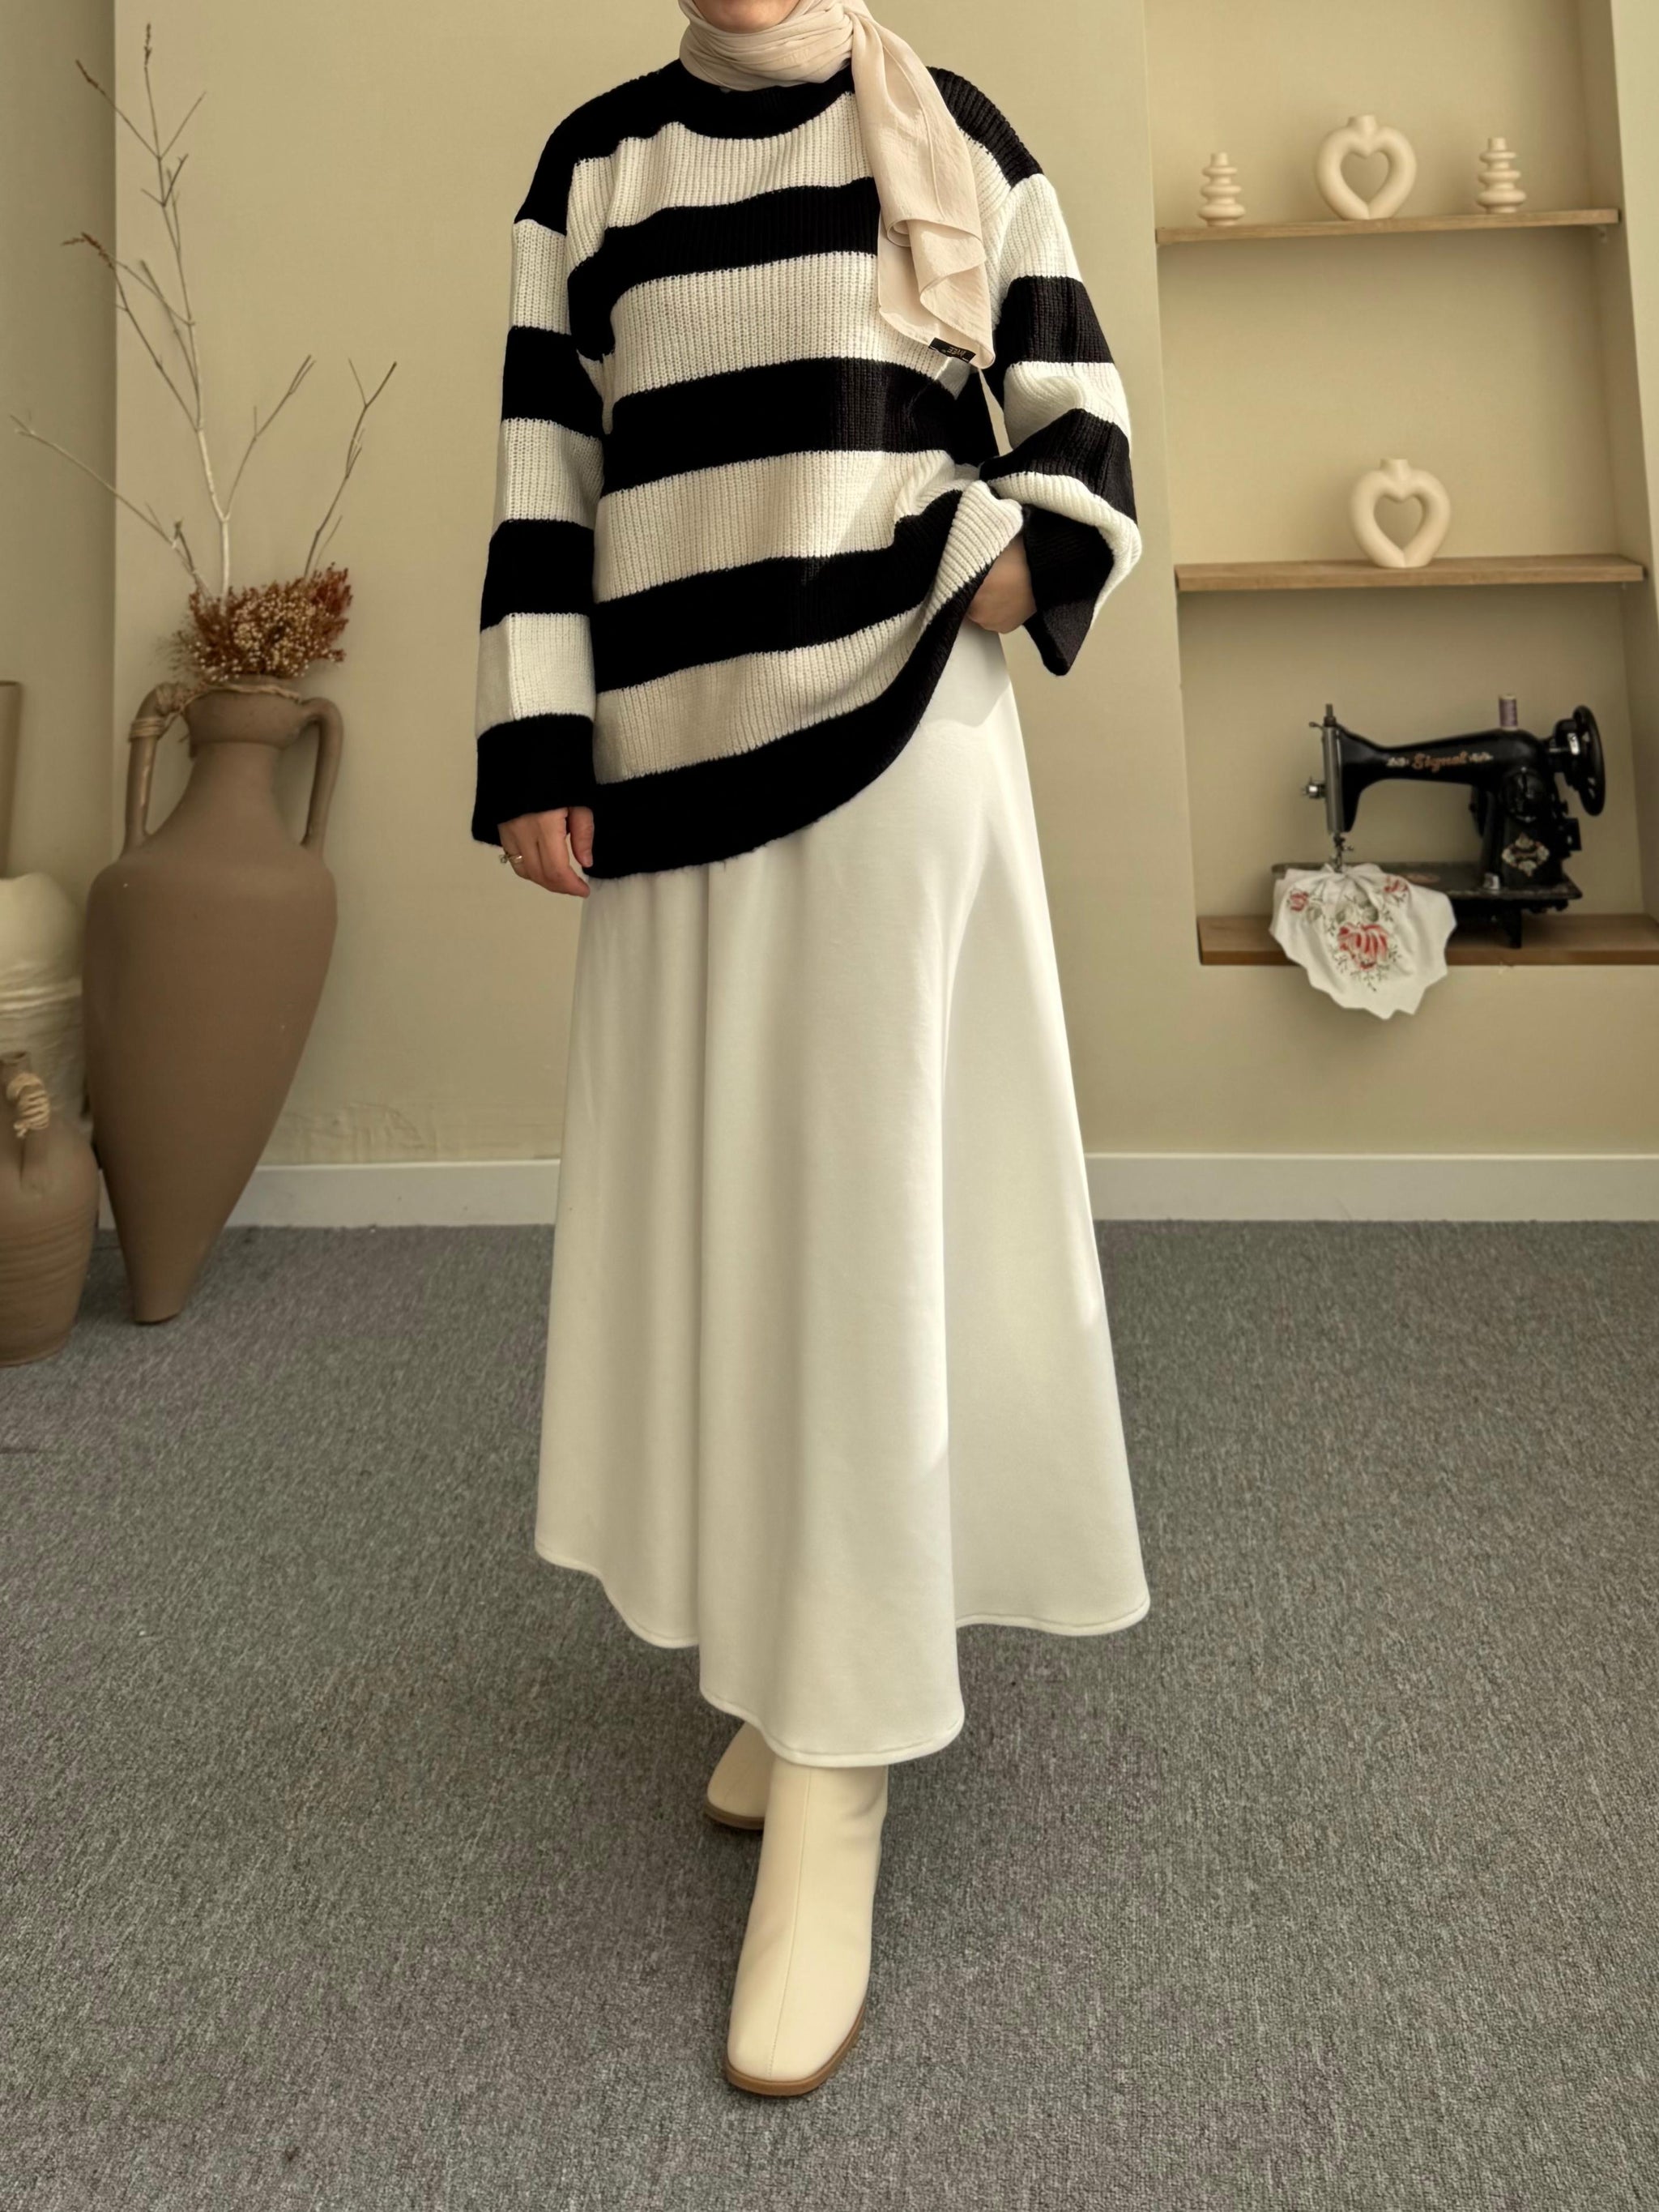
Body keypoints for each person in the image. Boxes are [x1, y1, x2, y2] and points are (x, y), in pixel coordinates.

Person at [471, 0, 1151, 2097]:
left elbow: (1080, 415)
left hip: (892, 749)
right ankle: (792, 1656)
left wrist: (1013, 557)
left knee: (863, 1246)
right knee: (734, 1239)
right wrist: (535, 741)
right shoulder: (591, 168)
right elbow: (546, 476)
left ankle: (843, 1766)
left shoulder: (959, 132)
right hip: (673, 764)